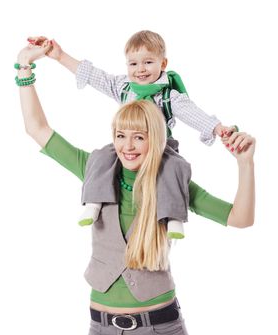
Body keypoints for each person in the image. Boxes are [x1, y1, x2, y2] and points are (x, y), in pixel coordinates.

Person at [16, 40, 255, 335]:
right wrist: (24, 67)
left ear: (154, 139)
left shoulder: (172, 180)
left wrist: (245, 164)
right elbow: (37, 128)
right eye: (120, 136)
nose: (127, 146)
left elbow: (240, 218)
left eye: (138, 137)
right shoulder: (95, 168)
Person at [28, 31, 238, 238]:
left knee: (175, 168)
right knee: (100, 157)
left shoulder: (168, 97)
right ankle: (93, 203)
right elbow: (94, 76)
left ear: (163, 64)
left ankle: (173, 217)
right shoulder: (123, 87)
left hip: (161, 148)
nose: (140, 70)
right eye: (133, 64)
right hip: (129, 145)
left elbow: (194, 114)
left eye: (148, 62)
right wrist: (60, 56)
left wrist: (218, 128)